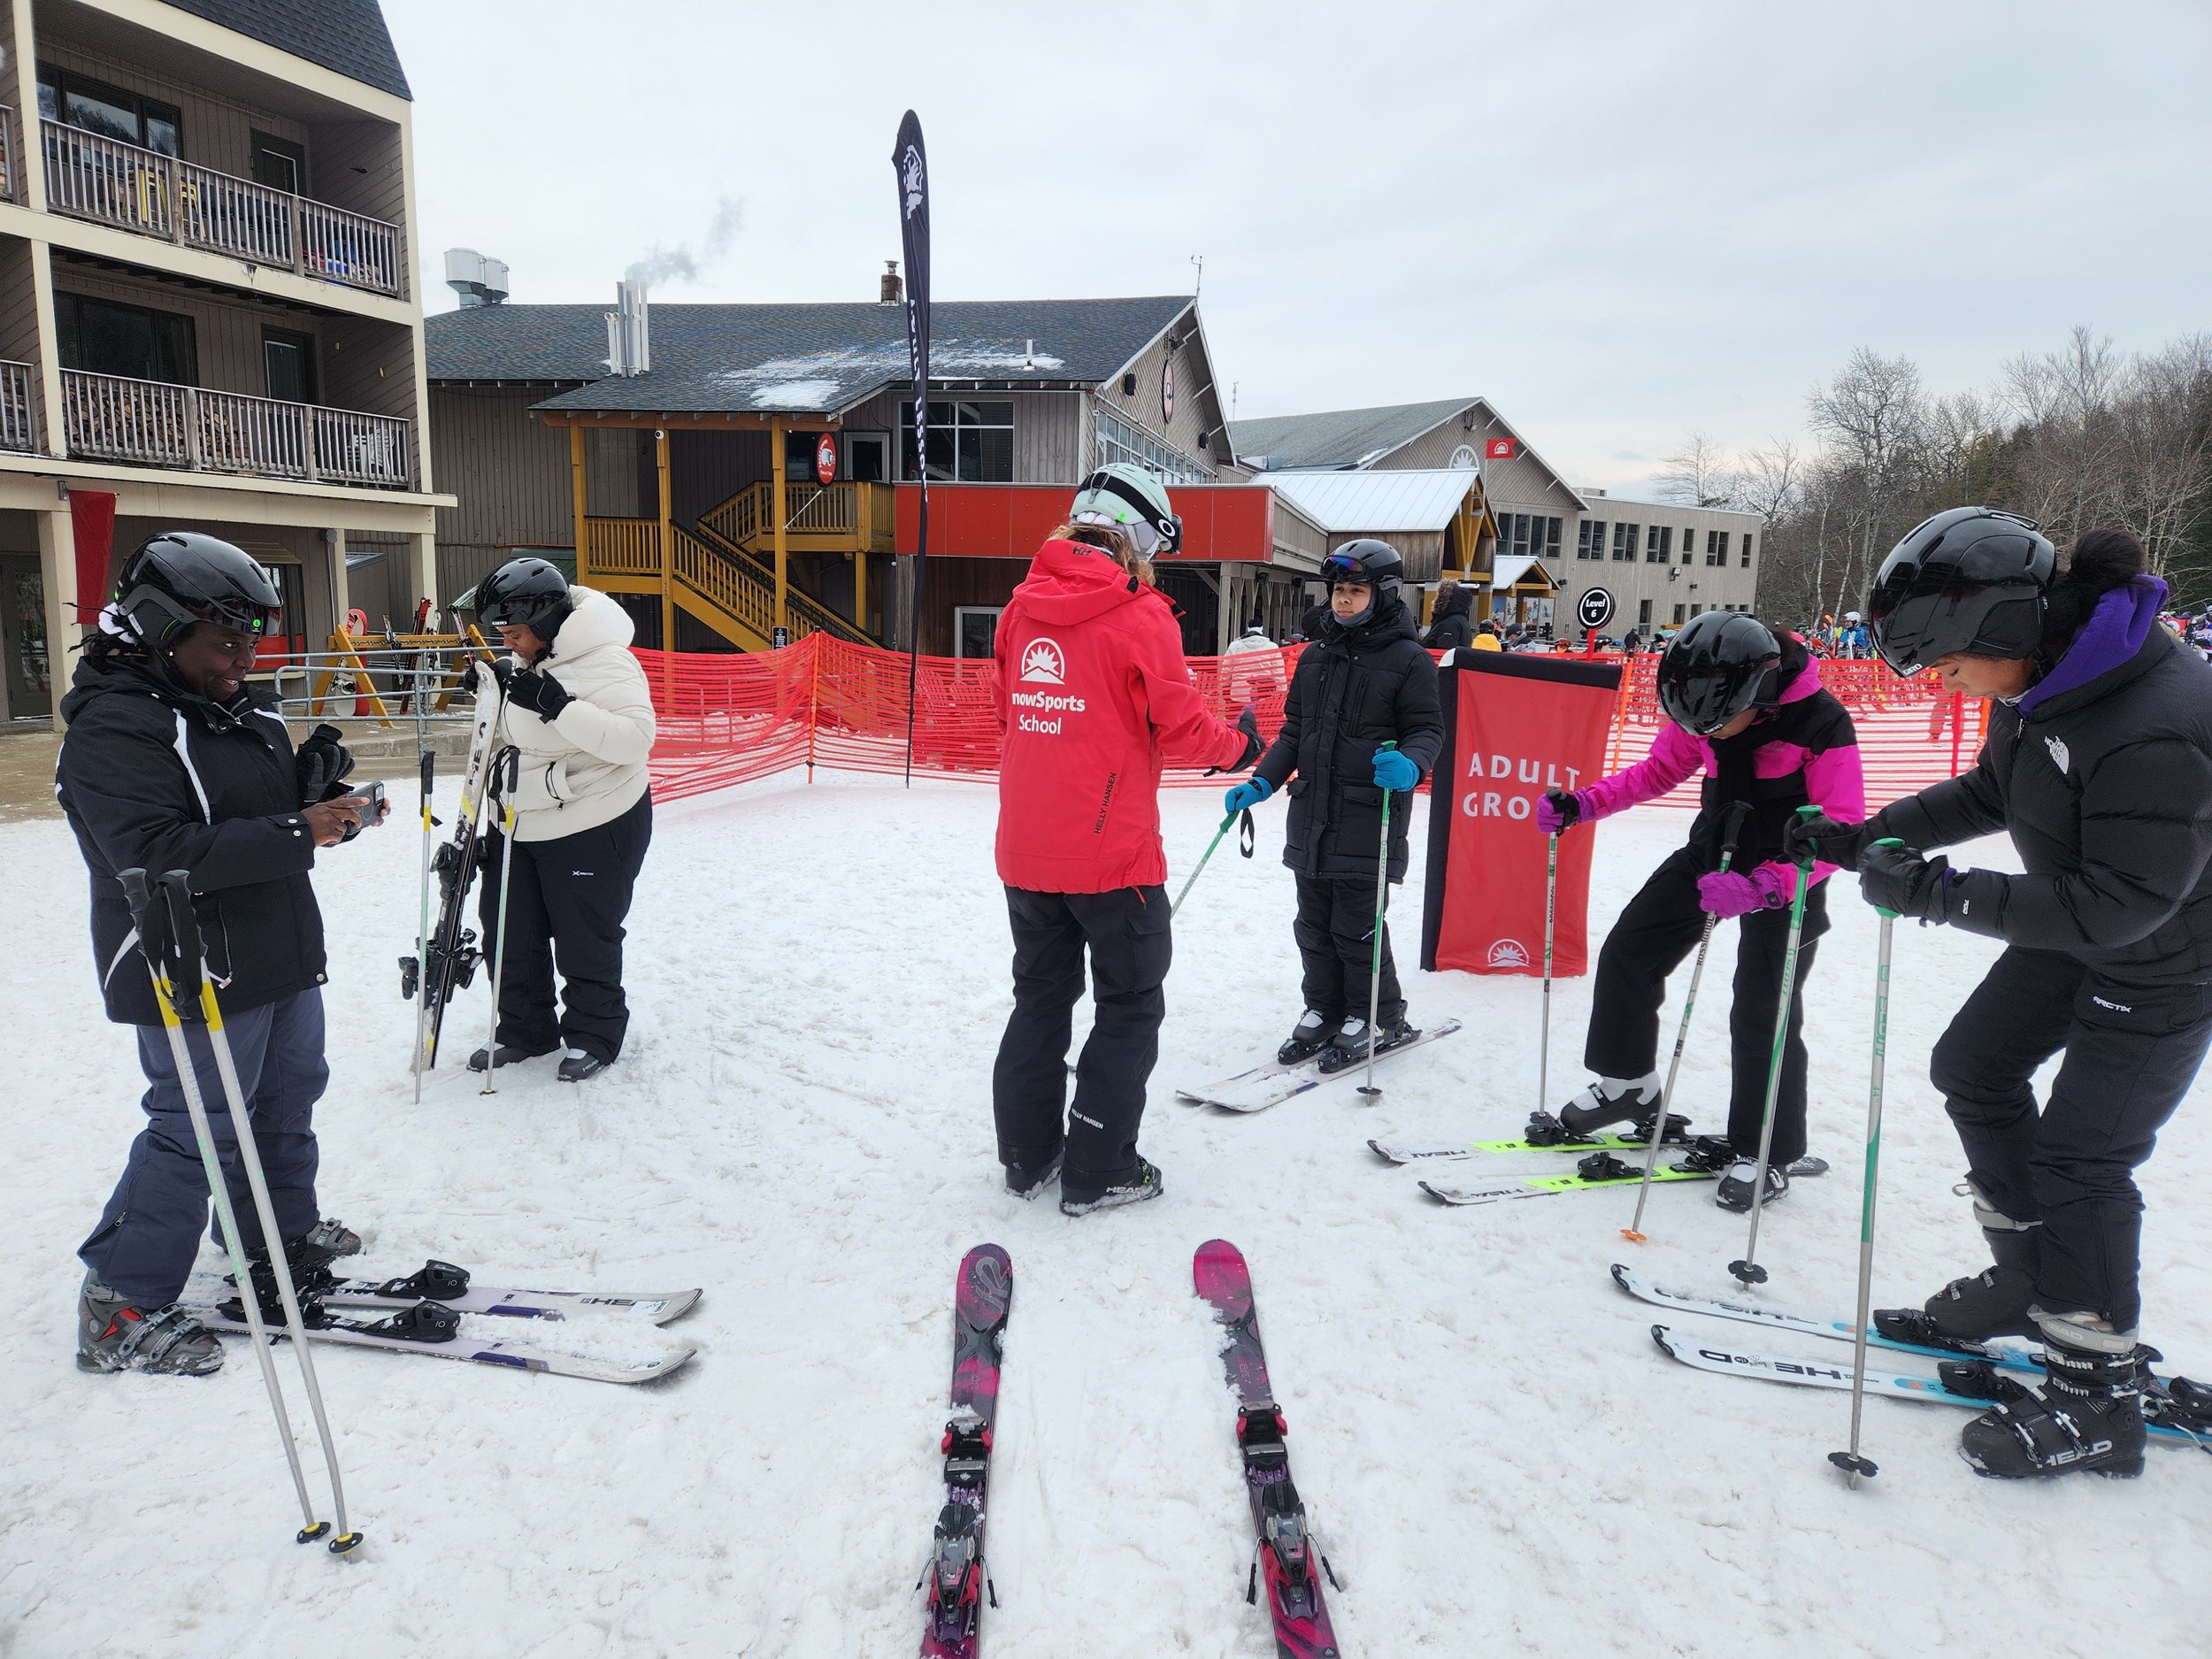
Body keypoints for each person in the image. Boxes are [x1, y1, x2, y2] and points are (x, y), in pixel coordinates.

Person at [1792, 513, 2212, 1480]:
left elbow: (2121, 906)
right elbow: (1993, 792)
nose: (1940, 685)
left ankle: (2098, 1391)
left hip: (2160, 956)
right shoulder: (2043, 682)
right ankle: (2031, 1280)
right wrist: (1868, 837)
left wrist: (1937, 895)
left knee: (2083, 1160)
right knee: (1973, 1068)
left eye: (1945, 667)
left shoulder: (2158, 719)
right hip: (2086, 921)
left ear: (2004, 631)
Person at [57, 533, 385, 1375]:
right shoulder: (116, 727)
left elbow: (252, 816)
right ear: (160, 630)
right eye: (225, 642)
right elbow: (154, 849)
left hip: (276, 944)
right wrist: (294, 826)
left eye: (251, 640)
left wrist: (312, 791)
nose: (244, 659)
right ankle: (119, 1299)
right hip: (186, 957)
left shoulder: (244, 706)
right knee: (199, 1126)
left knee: (283, 1099)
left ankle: (266, 1242)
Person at [989, 464, 1260, 1215]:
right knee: (1130, 1007)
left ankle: (1026, 1155)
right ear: (1138, 535)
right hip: (1115, 863)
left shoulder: (1019, 607)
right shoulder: (1142, 616)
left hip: (1028, 851)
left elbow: (1005, 709)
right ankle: (1099, 1167)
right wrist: (1241, 746)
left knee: (1039, 1001)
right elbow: (1180, 727)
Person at [1534, 611, 1863, 1209]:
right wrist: (1583, 804)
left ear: (1759, 695)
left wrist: (1767, 884)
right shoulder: (1704, 700)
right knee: (1631, 950)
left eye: (1716, 727)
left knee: (1764, 1009)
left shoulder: (1822, 724)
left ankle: (1767, 1150)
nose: (1705, 737)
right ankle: (1629, 1081)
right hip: (1714, 849)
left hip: (1789, 871)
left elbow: (1842, 830)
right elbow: (1659, 769)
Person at [1225, 540, 1444, 1071]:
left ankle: (1378, 1015)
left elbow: (1427, 729)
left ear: (1384, 594)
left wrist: (1412, 765)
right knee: (1313, 925)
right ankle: (1324, 1008)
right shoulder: (1315, 656)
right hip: (1313, 817)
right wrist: (1263, 781)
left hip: (1369, 816)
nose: (1343, 600)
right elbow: (1295, 734)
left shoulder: (1408, 658)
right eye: (1339, 590)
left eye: (1356, 590)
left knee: (1358, 927)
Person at [468, 557, 657, 1082]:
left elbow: (635, 740)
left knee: (583, 934)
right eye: (503, 634)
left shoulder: (608, 662)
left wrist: (559, 705)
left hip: (594, 819)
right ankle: (526, 1030)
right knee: (509, 931)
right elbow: (518, 735)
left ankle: (594, 1033)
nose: (510, 643)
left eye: (517, 633)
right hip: (521, 821)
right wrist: (493, 693)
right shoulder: (531, 661)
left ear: (549, 622)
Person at [1220, 617, 1286, 709]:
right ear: (1262, 628)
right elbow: (1279, 674)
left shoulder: (1234, 646)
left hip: (1238, 695)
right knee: (1260, 722)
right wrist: (1281, 694)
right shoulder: (1272, 647)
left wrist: (1225, 688)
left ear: (1248, 628)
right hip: (1264, 697)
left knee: (1235, 722)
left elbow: (1226, 669)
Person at [1421, 579, 1476, 651]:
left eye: (1439, 597)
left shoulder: (1451, 623)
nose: (1436, 599)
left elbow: (1444, 652)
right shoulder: (1459, 621)